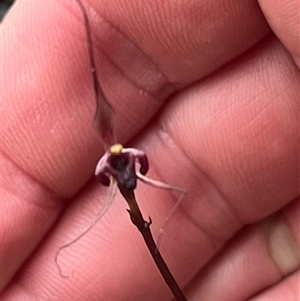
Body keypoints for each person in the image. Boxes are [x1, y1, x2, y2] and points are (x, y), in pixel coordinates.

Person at [1, 0, 299, 300]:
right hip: (126, 185)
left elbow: (134, 165)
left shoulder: (124, 159)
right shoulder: (114, 162)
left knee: (176, 194)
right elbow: (111, 171)